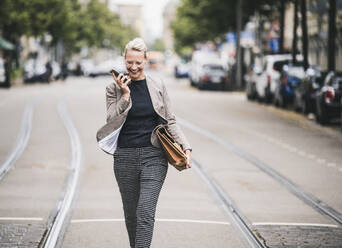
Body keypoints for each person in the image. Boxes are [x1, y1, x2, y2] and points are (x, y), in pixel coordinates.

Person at [96, 37, 192, 248]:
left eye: (138, 62)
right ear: (124, 59)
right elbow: (111, 120)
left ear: (146, 60)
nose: (133, 67)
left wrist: (185, 146)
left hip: (154, 156)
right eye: (129, 62)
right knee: (132, 216)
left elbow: (170, 119)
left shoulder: (157, 85)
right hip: (125, 157)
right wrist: (125, 94)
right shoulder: (113, 88)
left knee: (145, 212)